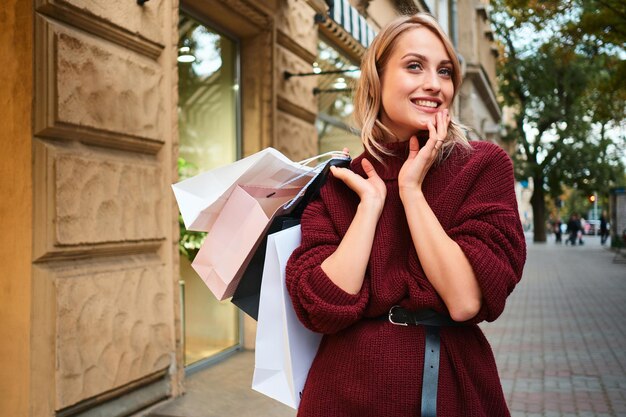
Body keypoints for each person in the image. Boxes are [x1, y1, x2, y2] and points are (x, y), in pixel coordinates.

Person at [285, 13, 526, 417]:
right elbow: (322, 308)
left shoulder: (482, 166)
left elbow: (465, 300)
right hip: (341, 393)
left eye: (445, 71)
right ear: (377, 80)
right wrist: (370, 207)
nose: (434, 83)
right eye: (415, 66)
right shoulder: (340, 181)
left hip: (448, 387)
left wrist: (412, 191)